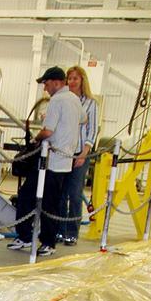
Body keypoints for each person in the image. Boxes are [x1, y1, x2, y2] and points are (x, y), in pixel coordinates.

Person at [8, 66, 83, 256]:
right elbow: (83, 120)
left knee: (27, 196)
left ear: (56, 82)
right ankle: (43, 240)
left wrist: (36, 138)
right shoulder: (74, 99)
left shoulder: (57, 100)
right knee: (52, 202)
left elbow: (48, 131)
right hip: (65, 162)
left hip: (49, 161)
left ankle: (30, 237)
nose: (45, 88)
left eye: (46, 83)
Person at [59, 65, 99, 245]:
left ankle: (72, 232)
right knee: (60, 194)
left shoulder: (91, 104)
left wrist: (84, 153)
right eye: (69, 78)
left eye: (75, 78)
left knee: (74, 194)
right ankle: (59, 230)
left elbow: (92, 131)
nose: (72, 82)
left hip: (80, 154)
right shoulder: (63, 100)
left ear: (82, 80)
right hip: (63, 153)